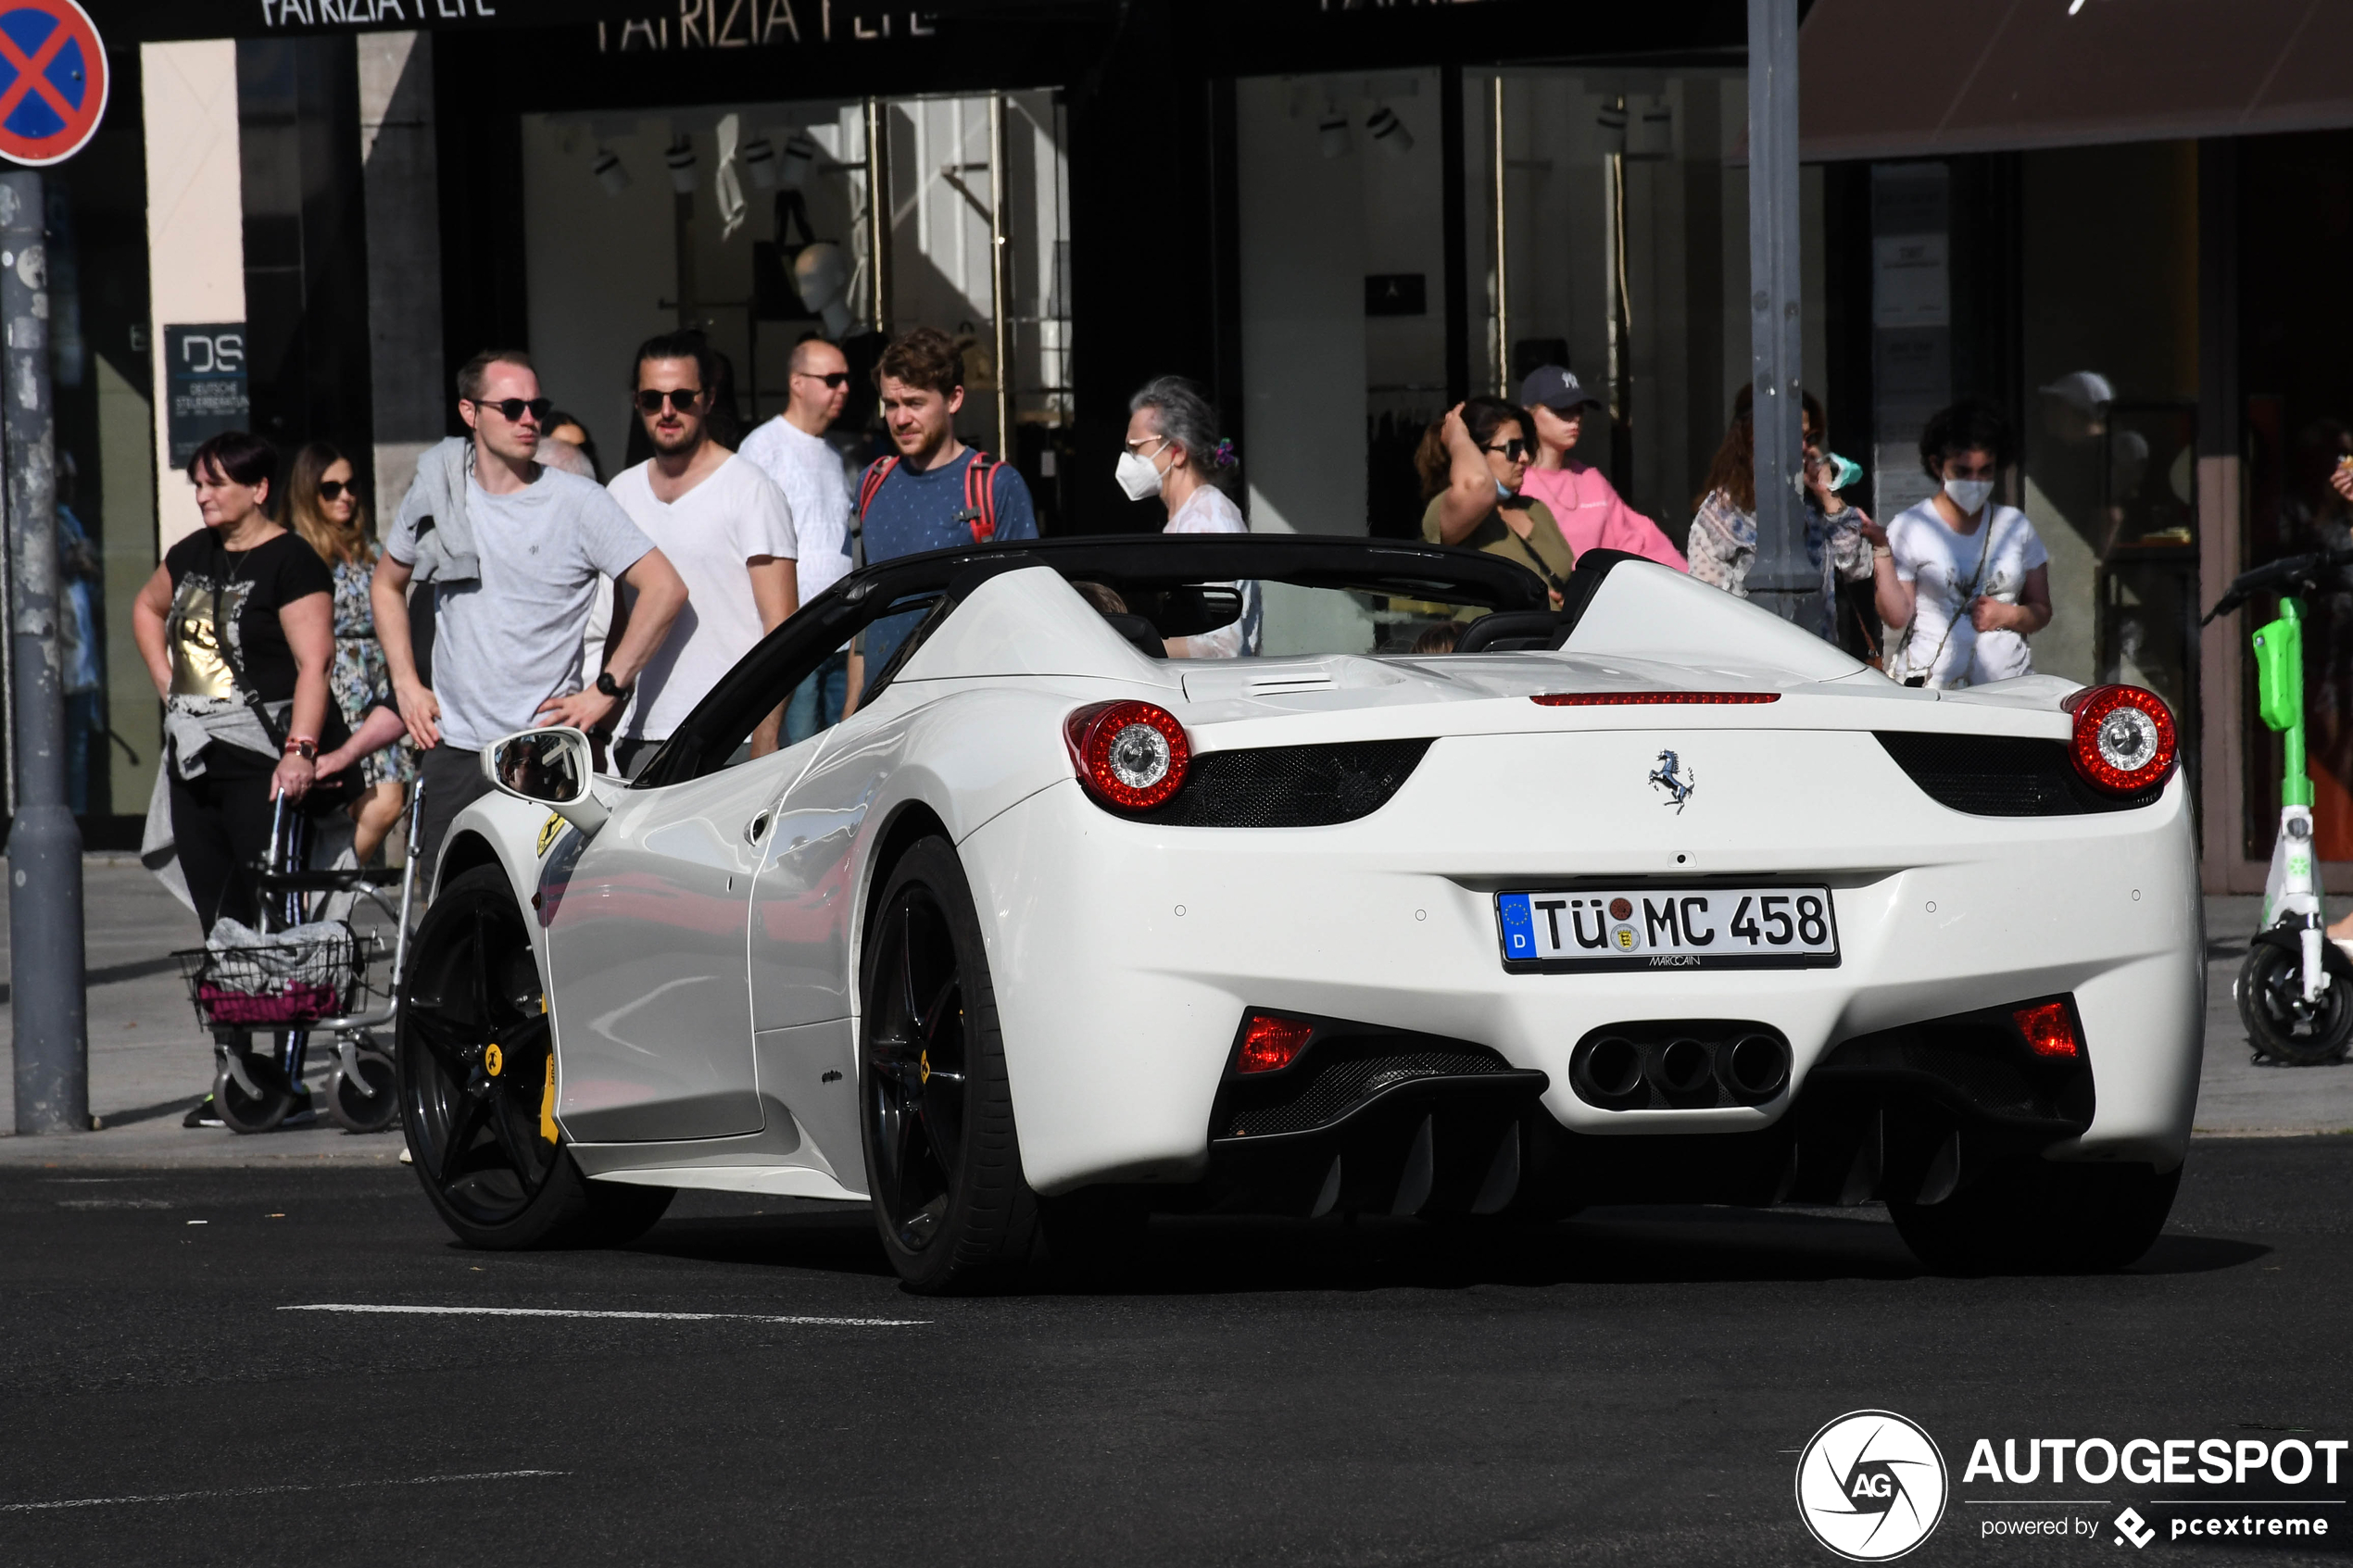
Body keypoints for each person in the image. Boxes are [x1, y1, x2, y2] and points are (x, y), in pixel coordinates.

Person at [371, 349, 689, 889]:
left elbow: (665, 589)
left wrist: (606, 690)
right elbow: (387, 583)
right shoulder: (439, 488)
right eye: (512, 406)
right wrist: (406, 683)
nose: (529, 420)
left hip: (544, 750)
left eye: (536, 406)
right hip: (455, 748)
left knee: (546, 919)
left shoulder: (577, 501)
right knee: (451, 913)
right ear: (470, 413)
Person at [131, 432, 334, 933]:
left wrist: (301, 750)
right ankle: (235, 1010)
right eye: (198, 484)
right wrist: (167, 686)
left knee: (273, 913)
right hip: (194, 760)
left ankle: (287, 1009)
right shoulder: (190, 554)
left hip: (261, 761)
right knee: (218, 916)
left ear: (259, 489)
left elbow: (317, 663)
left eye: (216, 484)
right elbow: (147, 607)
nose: (202, 495)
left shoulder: (291, 559)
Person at [605, 330, 799, 776]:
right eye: (652, 399)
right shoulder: (621, 493)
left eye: (681, 397)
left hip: (732, 738)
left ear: (708, 399)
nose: (667, 411)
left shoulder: (752, 489)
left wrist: (765, 739)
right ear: (637, 403)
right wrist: (604, 727)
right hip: (640, 740)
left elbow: (782, 627)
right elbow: (620, 623)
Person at [849, 326, 1039, 686]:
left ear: (953, 399)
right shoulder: (870, 484)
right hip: (877, 710)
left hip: (962, 705)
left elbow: (1024, 613)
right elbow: (863, 626)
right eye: (891, 404)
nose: (900, 418)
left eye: (915, 403)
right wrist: (851, 715)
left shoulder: (996, 486)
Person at [284, 441, 414, 865]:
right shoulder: (298, 552)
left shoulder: (371, 550)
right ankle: (323, 890)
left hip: (380, 689)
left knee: (387, 799)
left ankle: (320, 891)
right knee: (379, 801)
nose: (345, 496)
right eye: (330, 488)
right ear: (308, 494)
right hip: (335, 695)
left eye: (351, 485)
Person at [1875, 399, 2050, 688]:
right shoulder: (1911, 526)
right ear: (1937, 465)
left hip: (2009, 687)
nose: (1975, 481)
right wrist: (1881, 551)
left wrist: (2009, 614)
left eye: (1985, 471)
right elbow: (1897, 617)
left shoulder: (2015, 526)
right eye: (1963, 471)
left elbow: (2042, 609)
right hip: (1935, 688)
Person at [1687, 385, 1874, 644]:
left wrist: (1828, 495)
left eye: (1808, 438)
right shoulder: (1719, 515)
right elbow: (1707, 610)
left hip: (1819, 662)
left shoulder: (1811, 505)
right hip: (1757, 667)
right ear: (1754, 436)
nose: (1803, 447)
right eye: (1792, 435)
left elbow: (1858, 567)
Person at [740, 336, 857, 739]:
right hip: (794, 637)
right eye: (832, 378)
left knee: (837, 757)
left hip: (842, 632)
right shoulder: (762, 447)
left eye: (846, 379)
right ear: (797, 382)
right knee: (797, 757)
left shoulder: (835, 455)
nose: (844, 388)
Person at [1121, 374, 1262, 657]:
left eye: (1135, 448)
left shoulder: (1208, 522)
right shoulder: (1190, 517)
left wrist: (1133, 648)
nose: (1127, 459)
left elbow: (1223, 646)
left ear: (1177, 451)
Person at [1515, 366, 1688, 571]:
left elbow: (1641, 539)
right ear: (1527, 414)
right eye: (1561, 408)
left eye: (1579, 409)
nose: (1575, 418)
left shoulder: (1591, 479)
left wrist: (1687, 583)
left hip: (1597, 597)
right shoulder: (1513, 480)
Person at [1416, 396, 1575, 607]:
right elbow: (1478, 484)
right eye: (1513, 448)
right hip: (1494, 638)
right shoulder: (1447, 511)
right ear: (1475, 452)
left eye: (1524, 446)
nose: (1525, 457)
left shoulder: (1535, 509)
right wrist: (1456, 435)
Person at [55, 453, 103, 814]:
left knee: (77, 752)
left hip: (79, 661)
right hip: (53, 664)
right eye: (63, 478)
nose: (70, 487)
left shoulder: (69, 521)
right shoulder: (41, 524)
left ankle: (80, 822)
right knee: (60, 755)